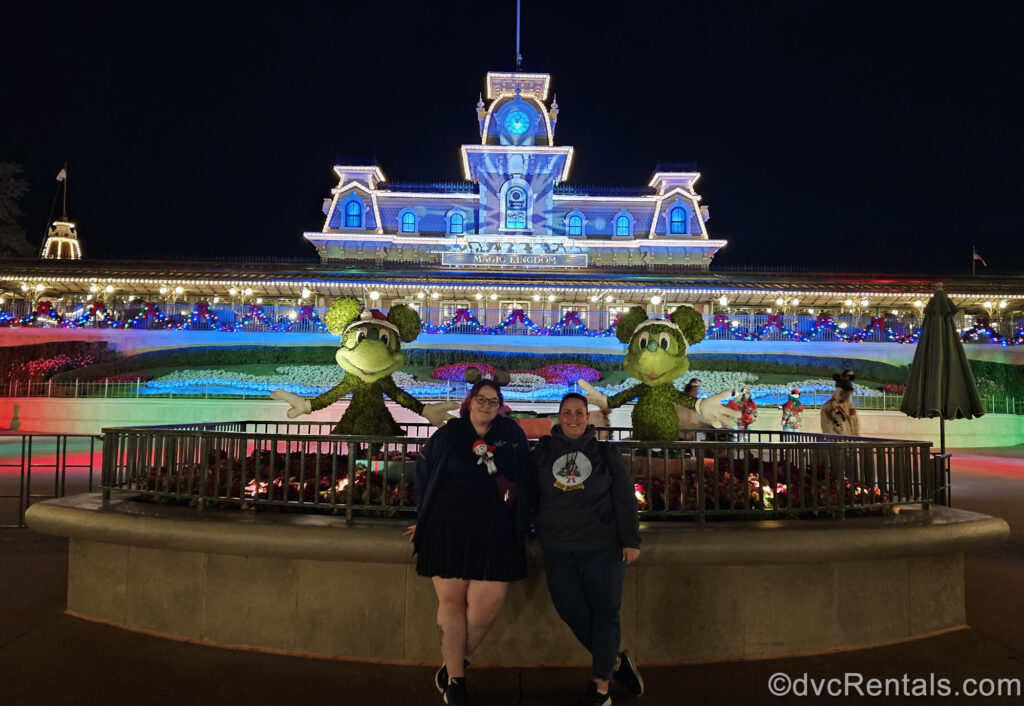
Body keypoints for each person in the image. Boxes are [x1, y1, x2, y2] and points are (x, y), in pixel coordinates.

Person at [405, 378, 531, 706]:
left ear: (500, 406)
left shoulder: (511, 434)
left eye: (492, 401)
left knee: (486, 606)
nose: (486, 405)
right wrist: (422, 517)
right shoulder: (448, 434)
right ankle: (456, 681)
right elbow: (424, 475)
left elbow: (526, 477)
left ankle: (451, 664)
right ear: (470, 400)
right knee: (450, 604)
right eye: (481, 399)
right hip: (447, 529)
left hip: (497, 532)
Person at [529, 392, 645, 706]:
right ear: (558, 416)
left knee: (605, 613)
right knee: (570, 609)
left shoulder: (606, 453)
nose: (573, 418)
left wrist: (630, 539)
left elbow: (624, 498)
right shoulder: (543, 452)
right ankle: (616, 663)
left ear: (587, 416)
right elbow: (529, 491)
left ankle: (600, 690)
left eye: (579, 412)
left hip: (603, 547)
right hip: (558, 546)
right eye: (567, 412)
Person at [820, 370, 860, 435]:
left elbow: (855, 426)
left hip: (852, 443)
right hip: (838, 443)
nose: (848, 395)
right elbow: (827, 429)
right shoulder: (828, 407)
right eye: (845, 392)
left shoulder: (850, 406)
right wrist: (839, 442)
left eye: (850, 392)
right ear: (839, 391)